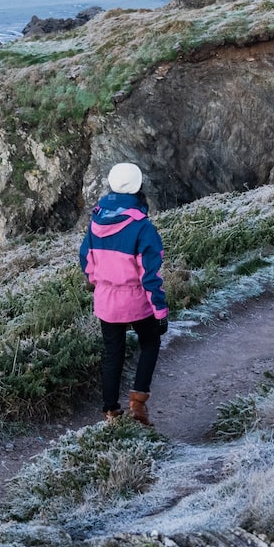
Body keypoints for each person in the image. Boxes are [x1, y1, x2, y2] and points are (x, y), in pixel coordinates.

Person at [79, 161, 169, 425]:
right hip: (137, 301)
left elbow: (86, 260)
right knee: (150, 343)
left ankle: (111, 411)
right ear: (138, 187)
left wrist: (100, 282)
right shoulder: (143, 227)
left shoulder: (96, 221)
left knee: (112, 353)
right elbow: (150, 276)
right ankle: (137, 403)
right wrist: (160, 311)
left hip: (106, 301)